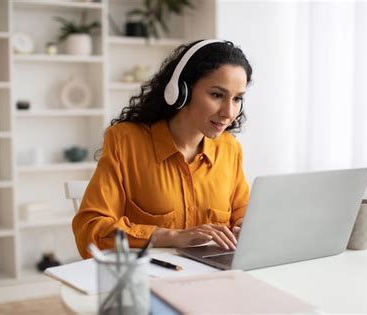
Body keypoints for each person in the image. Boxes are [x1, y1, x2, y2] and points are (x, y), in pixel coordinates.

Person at [72, 39, 253, 258]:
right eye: (217, 95)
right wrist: (170, 236)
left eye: (237, 99)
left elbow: (243, 214)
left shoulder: (229, 149)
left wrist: (246, 228)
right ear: (181, 91)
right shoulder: (125, 141)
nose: (229, 112)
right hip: (147, 279)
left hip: (213, 278)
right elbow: (90, 230)